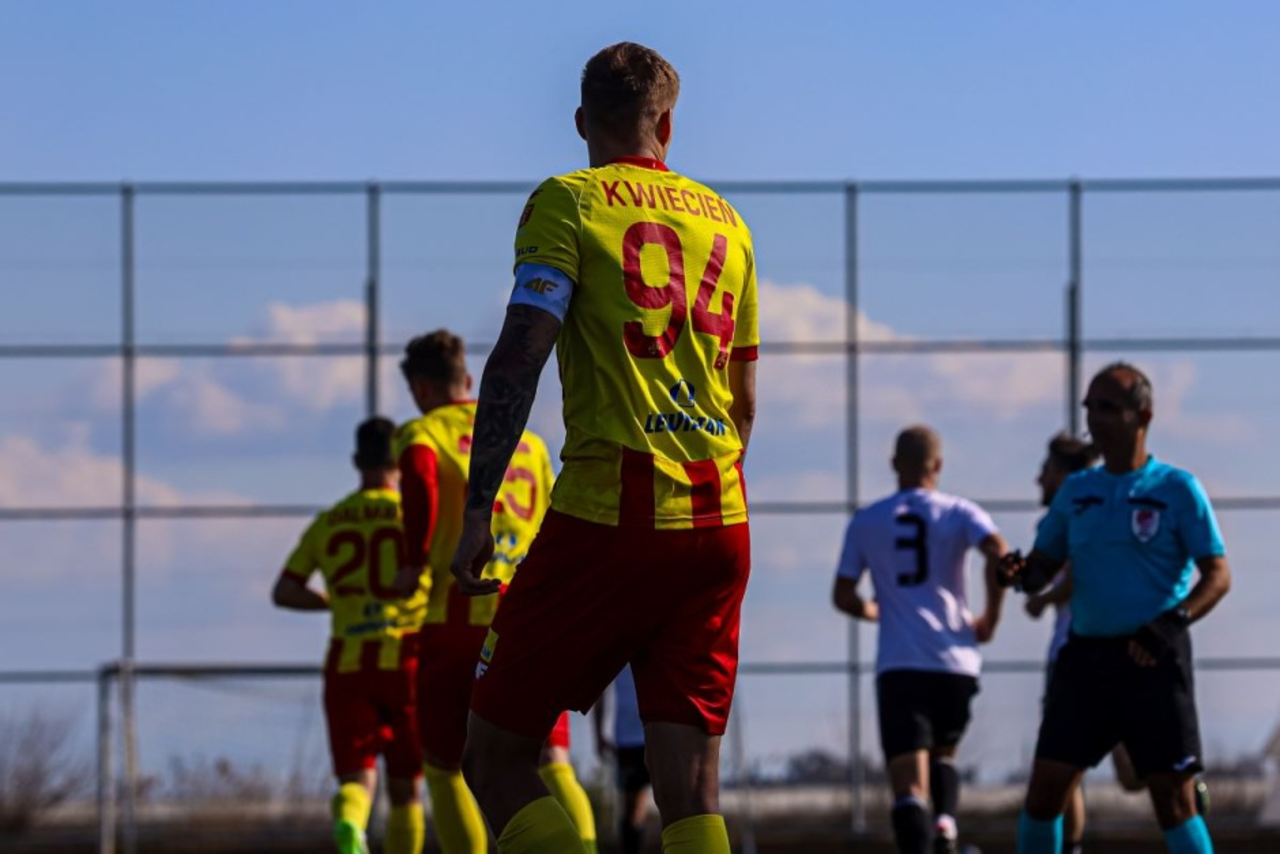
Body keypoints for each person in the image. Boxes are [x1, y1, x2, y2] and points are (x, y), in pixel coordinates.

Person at [449, 41, 759, 854]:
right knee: (691, 790)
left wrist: (478, 509)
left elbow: (519, 355)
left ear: (583, 121)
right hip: (720, 520)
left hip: (609, 513)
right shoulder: (729, 222)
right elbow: (743, 403)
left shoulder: (568, 201)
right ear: (668, 124)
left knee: (494, 755)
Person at [1002, 363, 1232, 854]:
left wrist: (1172, 622)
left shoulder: (1177, 489)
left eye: (1107, 408)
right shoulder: (1077, 491)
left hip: (1154, 660)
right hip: (1086, 661)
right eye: (1090, 409)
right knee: (1044, 794)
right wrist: (1020, 574)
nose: (1095, 419)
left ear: (1142, 416)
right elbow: (1041, 567)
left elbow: (1218, 575)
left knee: (1173, 800)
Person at [392, 330, 597, 853]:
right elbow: (556, 518)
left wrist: (412, 562)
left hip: (454, 620)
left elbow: (420, 488)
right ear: (466, 378)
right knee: (550, 759)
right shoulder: (528, 444)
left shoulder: (422, 433)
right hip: (525, 618)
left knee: (443, 765)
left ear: (421, 388)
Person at [832, 425, 1007, 854]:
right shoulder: (960, 511)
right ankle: (946, 823)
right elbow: (998, 551)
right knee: (943, 754)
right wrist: (990, 618)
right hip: (956, 661)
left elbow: (843, 595)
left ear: (894, 464)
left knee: (909, 784)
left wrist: (876, 610)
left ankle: (930, 837)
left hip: (902, 663)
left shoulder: (867, 520)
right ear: (938, 465)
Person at [272, 417, 425, 854]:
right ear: (398, 462)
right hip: (407, 657)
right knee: (406, 790)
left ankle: (350, 823)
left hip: (348, 662)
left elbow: (285, 591)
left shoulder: (330, 521)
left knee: (357, 779)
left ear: (357, 461)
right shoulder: (415, 517)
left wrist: (334, 602)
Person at [593, 665, 650, 854]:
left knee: (671, 802)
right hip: (626, 739)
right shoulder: (614, 647)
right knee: (632, 810)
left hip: (655, 729)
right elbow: (600, 688)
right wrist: (599, 734)